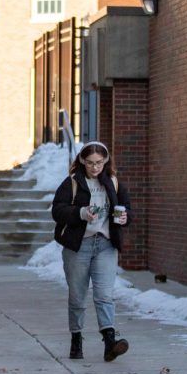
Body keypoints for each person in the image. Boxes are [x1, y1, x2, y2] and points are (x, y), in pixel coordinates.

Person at [51, 141, 132, 362]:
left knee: (104, 295)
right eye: (89, 163)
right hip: (79, 246)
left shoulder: (113, 183)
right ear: (81, 161)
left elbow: (126, 208)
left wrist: (125, 218)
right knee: (77, 297)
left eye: (99, 163)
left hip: (105, 245)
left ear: (106, 161)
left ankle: (110, 342)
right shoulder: (72, 183)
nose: (95, 167)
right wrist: (81, 213)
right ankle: (76, 339)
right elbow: (57, 210)